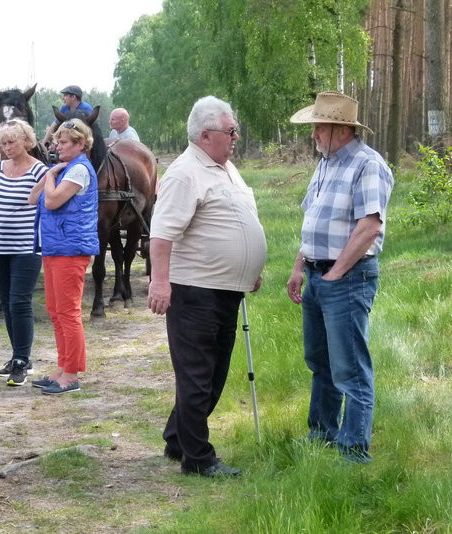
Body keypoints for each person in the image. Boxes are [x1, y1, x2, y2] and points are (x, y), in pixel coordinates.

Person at [147, 96, 267, 478]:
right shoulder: (185, 172)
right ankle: (197, 459)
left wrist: (249, 265)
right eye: (231, 131)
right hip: (194, 290)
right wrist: (160, 282)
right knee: (197, 375)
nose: (236, 137)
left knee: (213, 374)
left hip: (226, 289)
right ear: (205, 135)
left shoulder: (227, 169)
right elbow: (162, 232)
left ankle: (177, 439)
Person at [286, 91, 394, 463]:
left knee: (350, 368)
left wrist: (334, 274)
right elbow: (313, 220)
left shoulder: (368, 164)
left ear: (341, 129)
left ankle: (353, 450)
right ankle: (322, 435)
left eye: (319, 127)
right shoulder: (326, 163)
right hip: (318, 275)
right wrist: (299, 266)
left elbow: (369, 227)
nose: (313, 134)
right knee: (320, 363)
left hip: (346, 278)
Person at [28, 118, 99, 395]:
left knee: (68, 313)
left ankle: (71, 374)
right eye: (57, 142)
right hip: (55, 247)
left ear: (81, 144)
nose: (57, 146)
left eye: (64, 142)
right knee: (55, 312)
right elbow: (32, 199)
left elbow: (52, 200)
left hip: (71, 249)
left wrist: (49, 177)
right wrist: (50, 174)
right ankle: (62, 366)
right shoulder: (64, 169)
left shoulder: (79, 170)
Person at [0, 120, 48, 386]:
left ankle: (22, 360)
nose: (7, 147)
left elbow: (46, 207)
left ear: (26, 141)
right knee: (6, 302)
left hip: (26, 247)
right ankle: (17, 356)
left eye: (11, 142)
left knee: (20, 302)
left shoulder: (40, 171)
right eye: (3, 143)